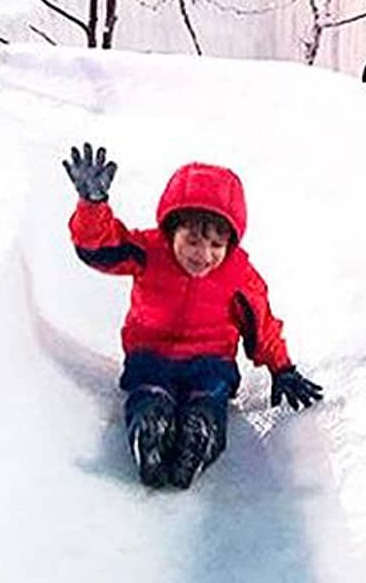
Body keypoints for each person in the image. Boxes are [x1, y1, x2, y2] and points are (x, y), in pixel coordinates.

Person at [63, 143, 324, 489]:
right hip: (150, 355)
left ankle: (201, 437)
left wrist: (282, 368)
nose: (203, 255)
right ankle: (149, 432)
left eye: (216, 245)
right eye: (193, 241)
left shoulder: (238, 274)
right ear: (172, 230)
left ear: (229, 243)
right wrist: (93, 206)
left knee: (209, 398)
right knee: (148, 392)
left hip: (210, 363)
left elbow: (261, 324)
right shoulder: (148, 251)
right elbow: (101, 250)